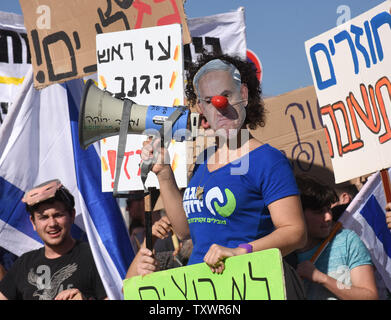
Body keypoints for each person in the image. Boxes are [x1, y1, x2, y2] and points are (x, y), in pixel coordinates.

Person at [135, 53, 307, 290]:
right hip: (204, 289)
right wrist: (164, 173)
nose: (219, 105)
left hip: (251, 286)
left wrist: (240, 252)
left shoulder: (268, 159)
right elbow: (186, 231)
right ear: (201, 108)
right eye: (209, 100)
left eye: (226, 95)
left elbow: (295, 232)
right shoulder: (203, 160)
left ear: (244, 95)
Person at [0, 179, 107, 300]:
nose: (52, 223)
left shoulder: (94, 257)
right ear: (33, 223)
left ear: (72, 215)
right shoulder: (23, 263)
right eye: (43, 217)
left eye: (58, 215)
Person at [295, 174, 378, 300]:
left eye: (329, 209)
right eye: (319, 212)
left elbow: (370, 296)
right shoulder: (284, 255)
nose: (328, 217)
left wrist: (320, 278)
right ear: (299, 214)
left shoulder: (347, 240)